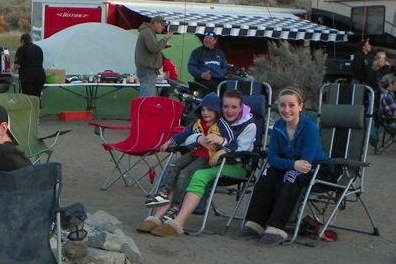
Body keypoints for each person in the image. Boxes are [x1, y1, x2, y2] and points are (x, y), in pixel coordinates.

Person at [147, 90, 258, 237]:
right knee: (177, 170)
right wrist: (199, 138)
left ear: (241, 107)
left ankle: (177, 221)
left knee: (197, 174)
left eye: (234, 107)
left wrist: (220, 146)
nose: (229, 111)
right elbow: (188, 136)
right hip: (209, 161)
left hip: (235, 166)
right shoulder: (214, 121)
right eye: (225, 107)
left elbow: (240, 148)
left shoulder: (248, 126)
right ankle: (157, 217)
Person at [234, 87, 327, 247]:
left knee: (290, 178)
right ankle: (256, 223)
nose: (287, 109)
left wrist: (291, 165)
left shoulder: (309, 129)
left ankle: (277, 227)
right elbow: (272, 158)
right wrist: (291, 164)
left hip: (317, 169)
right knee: (266, 176)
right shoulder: (278, 126)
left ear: (300, 106)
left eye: (291, 105)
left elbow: (305, 163)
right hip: (291, 164)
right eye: (282, 105)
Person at [137, 94, 226, 232]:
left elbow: (232, 141)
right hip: (194, 154)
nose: (205, 113)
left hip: (208, 158)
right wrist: (169, 142)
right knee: (174, 165)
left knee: (184, 173)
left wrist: (221, 149)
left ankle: (176, 207)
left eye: (209, 110)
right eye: (203, 110)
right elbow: (182, 135)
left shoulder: (221, 125)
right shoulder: (197, 124)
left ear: (216, 111)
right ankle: (162, 193)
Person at [134, 15, 173, 97]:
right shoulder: (147, 32)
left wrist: (162, 45)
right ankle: (144, 110)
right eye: (162, 25)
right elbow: (154, 48)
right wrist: (165, 39)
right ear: (156, 23)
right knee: (147, 97)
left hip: (147, 71)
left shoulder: (147, 32)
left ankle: (143, 109)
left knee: (146, 96)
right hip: (148, 71)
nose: (163, 28)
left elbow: (151, 47)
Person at [13, 33, 46, 98]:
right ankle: (37, 107)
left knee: (27, 97)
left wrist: (11, 71)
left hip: (28, 76)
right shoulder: (38, 48)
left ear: (22, 41)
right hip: (40, 74)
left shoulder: (21, 49)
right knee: (36, 96)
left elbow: (17, 65)